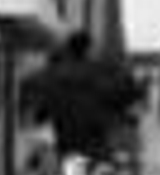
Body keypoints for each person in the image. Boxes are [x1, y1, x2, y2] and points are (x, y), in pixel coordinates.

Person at [22, 30, 145, 166]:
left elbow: (34, 106)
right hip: (96, 147)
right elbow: (128, 95)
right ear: (88, 49)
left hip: (64, 147)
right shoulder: (102, 73)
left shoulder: (49, 75)